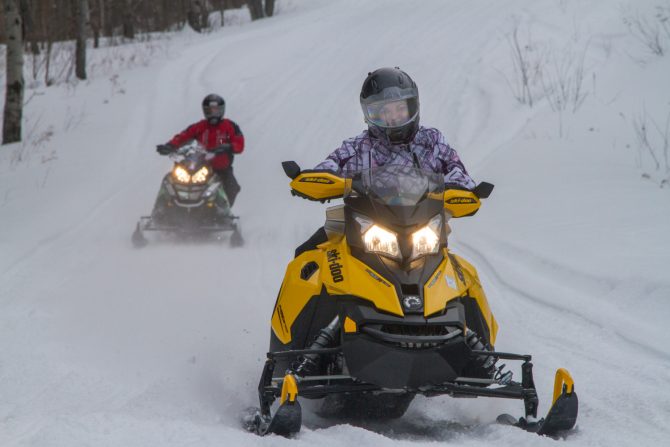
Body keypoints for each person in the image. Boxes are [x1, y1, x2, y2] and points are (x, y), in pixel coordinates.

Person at [295, 67, 476, 256]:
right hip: (365, 226)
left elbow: (455, 168)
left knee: (464, 274)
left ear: (412, 106)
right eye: (385, 111)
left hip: (424, 230)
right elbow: (332, 165)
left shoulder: (431, 140)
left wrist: (459, 187)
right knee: (306, 256)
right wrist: (318, 179)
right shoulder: (358, 147)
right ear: (371, 114)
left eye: (400, 108)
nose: (394, 116)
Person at [156, 93, 244, 206]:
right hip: (198, 165)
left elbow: (239, 142)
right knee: (169, 180)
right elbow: (183, 136)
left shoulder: (230, 126)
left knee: (232, 187)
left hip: (220, 169)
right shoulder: (199, 127)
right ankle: (159, 211)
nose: (213, 114)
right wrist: (170, 146)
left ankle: (224, 213)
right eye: (210, 111)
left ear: (222, 110)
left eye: (216, 110)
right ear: (205, 111)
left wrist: (229, 147)